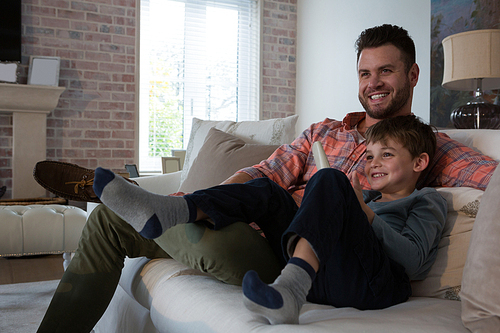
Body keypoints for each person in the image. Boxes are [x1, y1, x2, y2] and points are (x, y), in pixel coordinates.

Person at [36, 24, 498, 332]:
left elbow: (490, 178)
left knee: (328, 180)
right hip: (271, 229)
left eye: (386, 71)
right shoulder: (324, 131)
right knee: (110, 219)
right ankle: (168, 206)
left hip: (289, 257)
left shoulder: (428, 145)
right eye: (364, 73)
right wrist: (195, 197)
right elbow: (263, 172)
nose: (373, 82)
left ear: (413, 74)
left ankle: (280, 278)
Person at [91, 114, 447, 325]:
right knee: (268, 190)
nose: (372, 164)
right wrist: (359, 205)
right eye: (369, 156)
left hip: (376, 289)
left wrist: (365, 213)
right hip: (328, 279)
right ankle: (173, 210)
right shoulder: (365, 196)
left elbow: (413, 261)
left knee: (329, 177)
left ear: (419, 163)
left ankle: (291, 287)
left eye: (386, 154)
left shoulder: (427, 200)